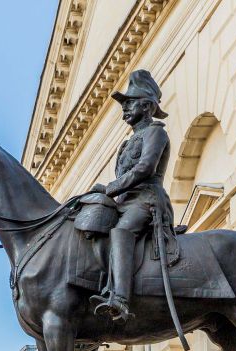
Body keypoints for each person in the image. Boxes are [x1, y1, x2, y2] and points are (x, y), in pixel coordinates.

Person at [86, 69, 174, 323]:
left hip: (146, 201)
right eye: (124, 103)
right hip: (125, 203)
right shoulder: (127, 143)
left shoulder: (156, 133)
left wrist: (110, 188)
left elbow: (145, 169)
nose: (124, 108)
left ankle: (120, 299)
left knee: (121, 232)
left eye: (130, 103)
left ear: (146, 106)